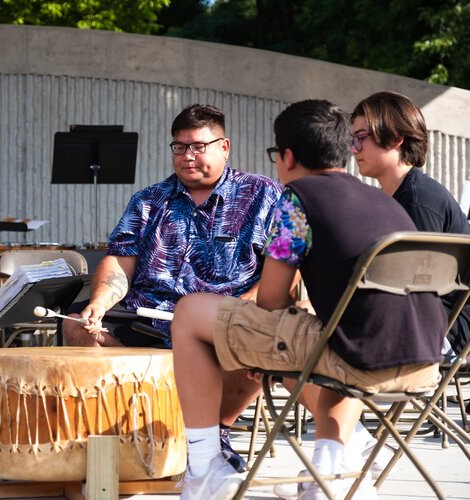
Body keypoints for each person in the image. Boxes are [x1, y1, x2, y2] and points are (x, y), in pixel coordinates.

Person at [171, 99, 446, 499]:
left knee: (191, 311)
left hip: (359, 360)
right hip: (425, 362)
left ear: (287, 156)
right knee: (325, 327)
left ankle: (202, 466)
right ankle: (329, 468)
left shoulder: (295, 202)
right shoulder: (383, 200)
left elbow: (270, 302)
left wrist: (262, 352)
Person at [62, 103, 282, 472]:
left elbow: (282, 271)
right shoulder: (149, 200)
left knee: (261, 340)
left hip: (222, 322)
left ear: (224, 146)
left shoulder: (264, 195)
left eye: (198, 146)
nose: (187, 156)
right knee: (75, 324)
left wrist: (242, 308)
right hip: (147, 317)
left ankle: (213, 436)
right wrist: (100, 301)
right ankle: (118, 431)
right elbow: (119, 260)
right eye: (179, 148)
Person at [351, 90, 470, 356]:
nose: (353, 148)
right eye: (353, 139)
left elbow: (416, 290)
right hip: (433, 324)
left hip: (448, 332)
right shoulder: (395, 196)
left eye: (361, 138)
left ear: (395, 139)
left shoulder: (419, 199)